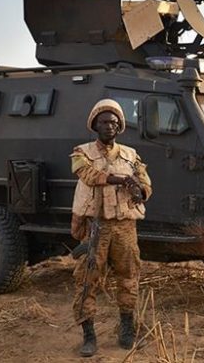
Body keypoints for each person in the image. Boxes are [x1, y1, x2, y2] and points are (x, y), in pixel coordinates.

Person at [70, 99, 152, 356]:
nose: (110, 126)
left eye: (114, 123)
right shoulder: (81, 152)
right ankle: (89, 335)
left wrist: (141, 190)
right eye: (104, 122)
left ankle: (126, 328)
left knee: (128, 278)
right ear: (95, 124)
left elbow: (146, 183)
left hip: (125, 227)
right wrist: (119, 179)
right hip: (95, 227)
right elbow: (88, 175)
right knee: (87, 281)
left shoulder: (130, 155)